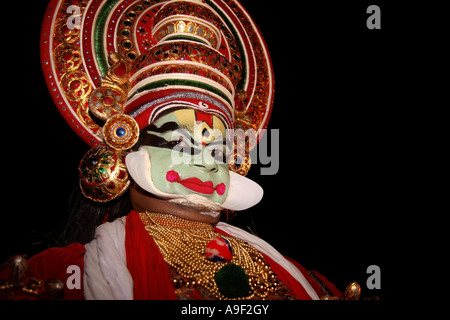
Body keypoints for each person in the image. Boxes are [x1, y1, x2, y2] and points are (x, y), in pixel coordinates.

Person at [1, 0, 344, 300]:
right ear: (126, 145)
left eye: (218, 154)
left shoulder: (303, 280)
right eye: (180, 144)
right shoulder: (59, 275)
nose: (206, 166)